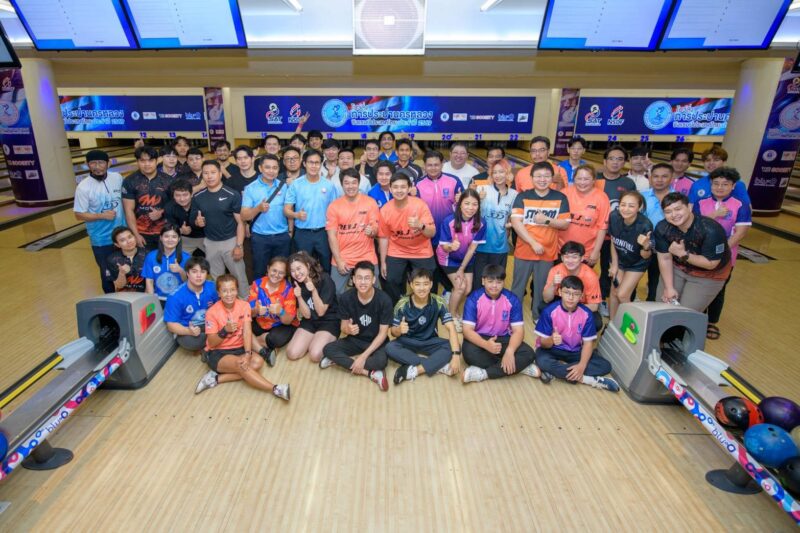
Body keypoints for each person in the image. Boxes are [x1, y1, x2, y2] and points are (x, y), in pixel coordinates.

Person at [194, 275, 290, 400]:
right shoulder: (211, 312)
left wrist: (248, 353)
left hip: (238, 348)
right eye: (224, 291)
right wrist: (224, 331)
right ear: (218, 293)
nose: (229, 294)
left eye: (232, 290)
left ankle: (215, 378)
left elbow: (247, 332)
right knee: (241, 365)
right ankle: (276, 389)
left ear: (237, 290)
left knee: (258, 362)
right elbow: (211, 343)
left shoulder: (244, 306)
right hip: (217, 352)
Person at [693, 167, 751, 340]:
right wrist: (714, 214)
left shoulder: (740, 205)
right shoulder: (701, 203)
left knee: (718, 289)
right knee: (698, 286)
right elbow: (695, 226)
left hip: (727, 256)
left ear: (733, 186)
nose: (720, 187)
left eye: (725, 184)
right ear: (711, 185)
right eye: (716, 183)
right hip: (700, 254)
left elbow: (740, 233)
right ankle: (698, 317)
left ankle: (711, 322)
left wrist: (720, 252)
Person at [534, 276, 620, 392]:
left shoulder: (587, 314)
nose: (571, 297)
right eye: (567, 293)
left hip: (575, 351)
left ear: (581, 296)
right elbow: (543, 343)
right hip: (553, 349)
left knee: (605, 366)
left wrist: (581, 366)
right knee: (541, 359)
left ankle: (556, 371)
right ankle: (587, 379)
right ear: (560, 292)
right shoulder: (549, 311)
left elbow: (588, 344)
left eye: (575, 294)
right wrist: (552, 339)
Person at [510, 161, 571, 320]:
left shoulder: (560, 197)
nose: (542, 179)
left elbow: (565, 224)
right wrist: (533, 243)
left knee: (542, 287)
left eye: (546, 176)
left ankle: (537, 315)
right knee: (518, 286)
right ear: (531, 178)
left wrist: (546, 220)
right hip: (524, 250)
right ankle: (513, 316)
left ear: (552, 178)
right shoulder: (523, 196)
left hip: (548, 251)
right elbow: (516, 222)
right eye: (538, 176)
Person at [319, 261, 392, 391]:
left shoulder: (384, 300)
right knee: (328, 349)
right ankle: (370, 373)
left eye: (367, 278)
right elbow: (343, 327)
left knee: (380, 362)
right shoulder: (346, 298)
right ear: (353, 279)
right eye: (359, 278)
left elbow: (383, 334)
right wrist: (348, 329)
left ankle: (341, 362)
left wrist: (363, 357)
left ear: (373, 280)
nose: (363, 282)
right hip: (355, 340)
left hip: (376, 342)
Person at [654, 192, 732, 311]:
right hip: (678, 268)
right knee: (661, 308)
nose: (674, 215)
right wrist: (669, 288)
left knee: (686, 313)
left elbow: (711, 264)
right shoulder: (662, 228)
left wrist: (683, 254)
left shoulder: (711, 229)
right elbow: (665, 258)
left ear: (689, 207)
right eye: (668, 212)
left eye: (678, 209)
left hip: (709, 274)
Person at [460, 264, 537, 383]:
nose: (494, 286)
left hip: (503, 338)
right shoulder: (473, 299)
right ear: (483, 281)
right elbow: (467, 331)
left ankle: (484, 373)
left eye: (499, 282)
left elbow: (518, 331)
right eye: (490, 281)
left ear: (503, 282)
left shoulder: (512, 299)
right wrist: (486, 344)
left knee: (529, 354)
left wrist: (510, 351)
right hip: (480, 338)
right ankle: (518, 367)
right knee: (468, 353)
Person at [387, 268, 461, 384]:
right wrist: (399, 330)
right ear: (411, 285)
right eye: (417, 284)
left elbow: (451, 328)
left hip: (430, 341)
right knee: (390, 347)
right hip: (408, 340)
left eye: (425, 284)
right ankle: (437, 365)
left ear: (431, 284)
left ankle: (417, 370)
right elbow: (393, 332)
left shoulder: (439, 302)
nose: (422, 288)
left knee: (454, 346)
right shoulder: (402, 304)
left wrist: (456, 356)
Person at [190, 160, 249, 298]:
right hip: (210, 243)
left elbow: (241, 223)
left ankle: (245, 303)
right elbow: (194, 219)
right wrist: (197, 222)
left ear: (220, 174)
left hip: (231, 241)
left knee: (239, 276)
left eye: (213, 172)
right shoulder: (198, 197)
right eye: (206, 173)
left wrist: (239, 246)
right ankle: (221, 306)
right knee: (217, 279)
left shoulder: (232, 194)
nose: (209, 176)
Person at [378, 172, 437, 303]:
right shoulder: (385, 210)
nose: (399, 190)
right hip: (397, 249)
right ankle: (399, 305)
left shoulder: (420, 205)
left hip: (421, 250)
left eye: (403, 187)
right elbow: (383, 237)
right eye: (395, 187)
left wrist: (420, 225)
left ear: (409, 188)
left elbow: (432, 233)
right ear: (390, 189)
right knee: (390, 278)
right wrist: (383, 262)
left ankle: (428, 307)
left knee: (427, 280)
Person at [73, 149, 126, 293]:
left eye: (101, 162)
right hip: (101, 239)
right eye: (93, 163)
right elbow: (78, 214)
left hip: (123, 236)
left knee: (127, 271)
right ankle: (110, 303)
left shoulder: (117, 178)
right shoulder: (83, 187)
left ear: (108, 164)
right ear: (87, 164)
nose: (97, 167)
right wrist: (101, 216)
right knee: (108, 275)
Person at [436, 189, 486, 331]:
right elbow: (444, 246)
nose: (470, 208)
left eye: (474, 204)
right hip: (448, 258)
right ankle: (451, 316)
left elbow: (472, 249)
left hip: (466, 259)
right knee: (460, 287)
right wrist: (451, 246)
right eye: (467, 203)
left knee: (467, 288)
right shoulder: (449, 221)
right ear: (460, 204)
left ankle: (452, 302)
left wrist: (462, 268)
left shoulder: (481, 223)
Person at [326, 169, 381, 293]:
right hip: (343, 257)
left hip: (367, 256)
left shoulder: (370, 203)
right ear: (342, 184)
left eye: (354, 182)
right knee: (336, 293)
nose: (350, 186)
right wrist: (339, 260)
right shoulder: (334, 206)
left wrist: (372, 231)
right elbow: (331, 236)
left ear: (359, 183)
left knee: (374, 291)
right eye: (346, 183)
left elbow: (375, 229)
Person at [597, 145, 636, 316]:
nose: (615, 162)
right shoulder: (596, 179)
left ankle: (605, 299)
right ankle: (593, 297)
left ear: (624, 162)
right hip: (594, 234)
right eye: (612, 158)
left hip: (614, 236)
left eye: (620, 159)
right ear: (605, 161)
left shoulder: (628, 183)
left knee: (609, 269)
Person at [284, 149, 339, 272]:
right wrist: (296, 215)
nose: (314, 166)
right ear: (304, 163)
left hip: (323, 233)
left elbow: (335, 211)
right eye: (310, 162)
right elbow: (286, 210)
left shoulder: (329, 185)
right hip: (303, 234)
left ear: (321, 164)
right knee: (302, 267)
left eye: (317, 163)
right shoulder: (296, 184)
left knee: (326, 267)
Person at [241, 154, 291, 279]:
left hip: (282, 236)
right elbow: (244, 215)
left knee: (282, 272)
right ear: (260, 168)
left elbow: (289, 209)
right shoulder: (250, 188)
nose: (271, 171)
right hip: (260, 238)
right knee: (260, 271)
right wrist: (258, 208)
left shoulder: (284, 186)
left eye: (275, 168)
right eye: (267, 167)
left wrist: (290, 232)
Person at [284, 252, 340, 363]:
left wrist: (313, 290)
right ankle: (315, 339)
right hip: (310, 321)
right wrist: (299, 297)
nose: (297, 273)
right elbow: (306, 315)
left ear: (308, 265)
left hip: (328, 320)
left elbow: (321, 312)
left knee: (315, 355)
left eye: (299, 268)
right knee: (292, 353)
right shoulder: (297, 283)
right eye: (293, 271)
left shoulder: (325, 279)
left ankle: (326, 342)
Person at [472, 159, 516, 292]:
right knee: (478, 283)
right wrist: (478, 199)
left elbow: (513, 218)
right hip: (481, 245)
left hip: (500, 247)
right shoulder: (482, 190)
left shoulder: (514, 195)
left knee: (496, 283)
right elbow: (469, 214)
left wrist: (510, 224)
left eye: (501, 172)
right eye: (494, 172)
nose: (498, 175)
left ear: (508, 173)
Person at [608, 191, 653, 319]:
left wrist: (646, 246)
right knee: (614, 291)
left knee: (622, 295)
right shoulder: (614, 216)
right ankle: (612, 323)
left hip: (637, 263)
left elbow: (646, 255)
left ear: (639, 207)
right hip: (619, 259)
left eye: (631, 206)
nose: (626, 209)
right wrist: (614, 265)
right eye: (623, 204)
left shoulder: (645, 225)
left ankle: (633, 323)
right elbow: (613, 241)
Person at [248, 256, 299, 367]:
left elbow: (288, 320)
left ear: (285, 274)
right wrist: (256, 310)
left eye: (281, 273)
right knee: (242, 324)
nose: (276, 275)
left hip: (280, 325)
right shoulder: (257, 284)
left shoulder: (289, 289)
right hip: (260, 322)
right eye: (274, 270)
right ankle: (263, 350)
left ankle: (249, 342)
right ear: (268, 269)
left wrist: (280, 311)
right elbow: (249, 314)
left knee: (276, 339)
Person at [542, 241, 603, 332]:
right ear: (562, 258)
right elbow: (546, 299)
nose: (570, 261)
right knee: (543, 307)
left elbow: (594, 306)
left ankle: (577, 335)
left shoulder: (591, 276)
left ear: (582, 258)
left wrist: (570, 311)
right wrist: (553, 285)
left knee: (596, 323)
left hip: (581, 304)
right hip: (561, 300)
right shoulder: (555, 270)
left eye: (574, 257)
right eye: (567, 256)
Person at [122, 145, 173, 250]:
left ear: (157, 161)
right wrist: (135, 235)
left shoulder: (168, 180)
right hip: (142, 233)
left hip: (165, 231)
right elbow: (128, 210)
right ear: (137, 162)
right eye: (142, 161)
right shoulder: (130, 181)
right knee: (146, 260)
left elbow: (175, 204)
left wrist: (162, 212)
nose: (147, 164)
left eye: (150, 160)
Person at [164, 257, 218, 353]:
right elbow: (171, 325)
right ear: (187, 273)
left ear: (207, 274)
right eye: (194, 272)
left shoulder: (213, 287)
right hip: (188, 328)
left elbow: (222, 306)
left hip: (210, 322)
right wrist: (188, 331)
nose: (199, 276)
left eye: (202, 272)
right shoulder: (175, 296)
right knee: (192, 342)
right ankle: (215, 341)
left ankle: (211, 342)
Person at [559, 163, 609, 267]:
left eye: (586, 179)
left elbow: (602, 227)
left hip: (586, 252)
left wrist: (596, 251)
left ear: (594, 180)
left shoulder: (602, 197)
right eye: (579, 178)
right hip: (561, 249)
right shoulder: (564, 193)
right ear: (574, 179)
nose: (582, 182)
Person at [641, 163, 674, 301]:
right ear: (650, 177)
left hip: (665, 248)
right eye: (655, 176)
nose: (659, 180)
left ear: (672, 178)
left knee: (655, 281)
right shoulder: (642, 196)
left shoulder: (677, 198)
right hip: (643, 244)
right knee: (632, 279)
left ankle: (651, 302)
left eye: (664, 176)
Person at [143, 224, 191, 303]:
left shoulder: (186, 257)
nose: (170, 239)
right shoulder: (151, 256)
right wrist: (152, 301)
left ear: (179, 239)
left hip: (179, 300)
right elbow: (149, 281)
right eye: (166, 236)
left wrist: (180, 271)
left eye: (174, 237)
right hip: (157, 298)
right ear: (161, 238)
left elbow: (189, 282)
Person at [164, 179, 204, 255]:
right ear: (173, 196)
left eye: (185, 195)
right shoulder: (169, 207)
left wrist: (202, 223)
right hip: (184, 238)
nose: (182, 199)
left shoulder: (201, 203)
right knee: (177, 259)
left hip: (205, 237)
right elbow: (169, 229)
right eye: (177, 195)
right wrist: (181, 230)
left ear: (191, 194)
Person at [104, 226, 147, 292]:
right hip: (125, 295)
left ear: (134, 237)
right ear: (117, 245)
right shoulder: (112, 259)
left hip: (147, 294)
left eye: (130, 237)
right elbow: (119, 286)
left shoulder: (148, 255)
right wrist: (121, 273)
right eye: (122, 240)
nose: (128, 241)